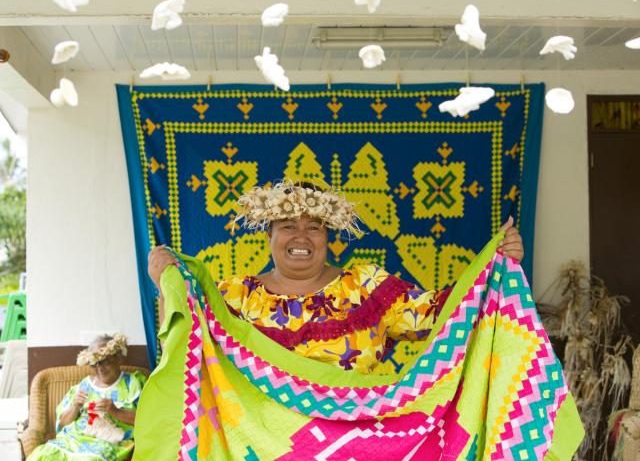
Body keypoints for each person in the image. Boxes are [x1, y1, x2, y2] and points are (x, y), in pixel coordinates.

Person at [147, 180, 524, 374]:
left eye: (314, 227)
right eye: (288, 226)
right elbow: (182, 348)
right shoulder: (235, 297)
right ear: (270, 236)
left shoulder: (366, 287)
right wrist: (166, 283)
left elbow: (441, 315)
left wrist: (498, 268)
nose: (301, 236)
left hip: (358, 446)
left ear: (329, 238)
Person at [27, 334, 147, 461]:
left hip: (107, 442)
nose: (100, 368)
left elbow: (149, 419)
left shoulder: (134, 383)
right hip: (73, 438)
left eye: (104, 361)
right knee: (41, 455)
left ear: (118, 358)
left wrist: (115, 411)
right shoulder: (84, 386)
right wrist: (75, 406)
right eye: (94, 364)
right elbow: (62, 425)